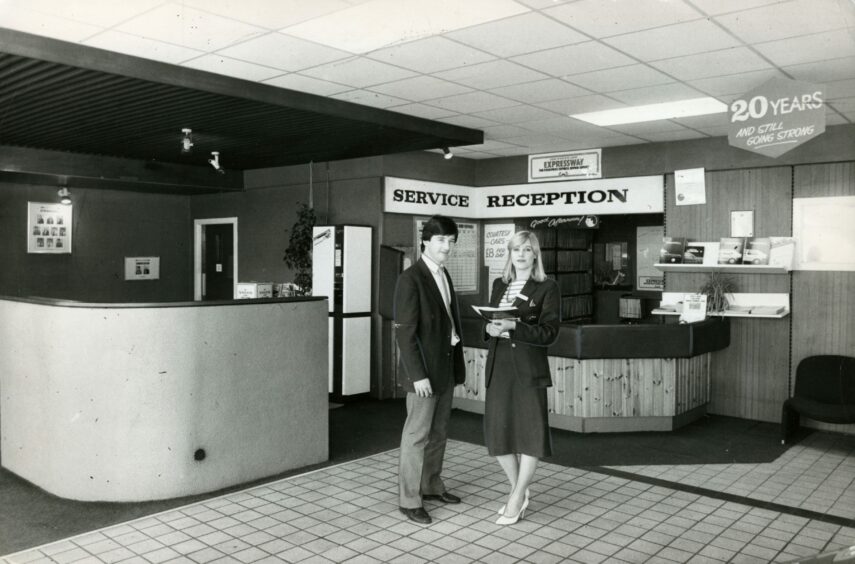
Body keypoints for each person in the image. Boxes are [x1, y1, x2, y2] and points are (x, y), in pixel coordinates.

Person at [483, 230, 560, 525]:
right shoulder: (498, 284)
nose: (521, 255)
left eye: (527, 250)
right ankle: (519, 489)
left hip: (528, 367)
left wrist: (515, 327)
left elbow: (550, 333)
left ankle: (516, 497)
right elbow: (491, 321)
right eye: (516, 249)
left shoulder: (547, 287)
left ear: (535, 254)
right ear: (510, 253)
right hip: (500, 365)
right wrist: (489, 329)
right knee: (498, 434)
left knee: (530, 434)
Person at [394, 215, 466, 525]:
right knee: (416, 436)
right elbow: (405, 333)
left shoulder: (444, 275)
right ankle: (409, 500)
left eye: (451, 241)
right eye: (441, 240)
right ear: (425, 241)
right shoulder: (411, 278)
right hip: (423, 373)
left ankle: (431, 485)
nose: (446, 247)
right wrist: (417, 375)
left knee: (439, 433)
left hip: (445, 367)